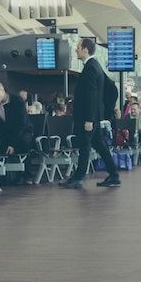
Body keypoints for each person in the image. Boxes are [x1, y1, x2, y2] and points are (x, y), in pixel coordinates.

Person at [59, 37, 120, 189]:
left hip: (88, 118)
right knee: (99, 145)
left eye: (78, 47)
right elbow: (111, 88)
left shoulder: (91, 67)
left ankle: (78, 178)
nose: (76, 50)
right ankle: (114, 175)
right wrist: (103, 111)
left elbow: (91, 96)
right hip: (93, 117)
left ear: (85, 49)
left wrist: (90, 119)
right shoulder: (96, 66)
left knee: (85, 146)